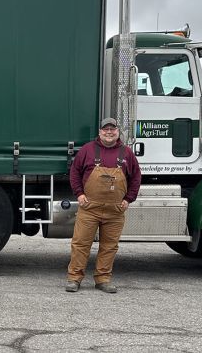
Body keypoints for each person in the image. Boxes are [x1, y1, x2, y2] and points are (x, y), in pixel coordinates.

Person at [65, 117, 141, 293]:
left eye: (112, 129)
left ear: (117, 132)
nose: (109, 132)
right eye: (105, 129)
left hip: (115, 210)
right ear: (100, 132)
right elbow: (75, 172)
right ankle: (74, 278)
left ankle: (103, 279)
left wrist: (128, 199)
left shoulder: (127, 153)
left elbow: (136, 178)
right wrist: (80, 194)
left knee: (109, 246)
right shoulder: (87, 150)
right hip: (89, 208)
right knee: (80, 244)